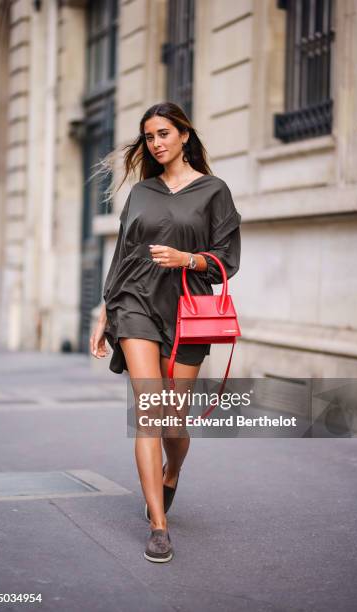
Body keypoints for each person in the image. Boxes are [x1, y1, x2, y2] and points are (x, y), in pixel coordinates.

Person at [89, 102, 241, 563]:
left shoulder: (213, 190)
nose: (155, 143)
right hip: (134, 302)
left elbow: (226, 259)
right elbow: (122, 252)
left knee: (174, 421)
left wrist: (187, 259)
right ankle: (159, 525)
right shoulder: (141, 193)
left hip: (187, 310)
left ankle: (172, 470)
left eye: (163, 134)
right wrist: (105, 312)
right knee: (149, 411)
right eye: (149, 136)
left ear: (184, 136)